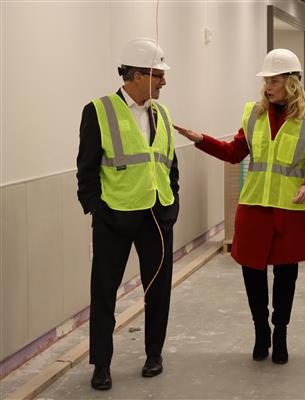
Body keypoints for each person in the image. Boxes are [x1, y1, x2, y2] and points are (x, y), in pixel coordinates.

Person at [174, 48, 305, 365]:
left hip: (289, 209)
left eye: (273, 81)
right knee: (252, 274)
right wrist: (201, 139)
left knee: (286, 277)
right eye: (266, 81)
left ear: (291, 82)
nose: (268, 87)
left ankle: (281, 332)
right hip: (255, 207)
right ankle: (261, 331)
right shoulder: (253, 113)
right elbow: (234, 152)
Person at [76, 38, 179, 390]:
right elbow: (86, 171)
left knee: (158, 290)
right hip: (114, 218)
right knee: (104, 292)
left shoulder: (161, 113)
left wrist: (172, 205)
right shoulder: (98, 111)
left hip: (157, 216)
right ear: (137, 75)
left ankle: (154, 354)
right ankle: (101, 364)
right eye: (158, 75)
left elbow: (169, 164)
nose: (163, 82)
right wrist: (97, 209)